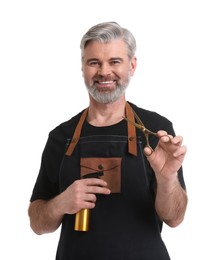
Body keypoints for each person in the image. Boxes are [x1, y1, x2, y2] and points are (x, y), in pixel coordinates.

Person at [28, 21, 188, 260]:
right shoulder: (61, 137)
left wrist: (167, 179)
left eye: (115, 61)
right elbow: (37, 223)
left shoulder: (155, 131)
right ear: (83, 67)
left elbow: (175, 217)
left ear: (132, 65)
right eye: (94, 62)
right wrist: (61, 203)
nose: (104, 72)